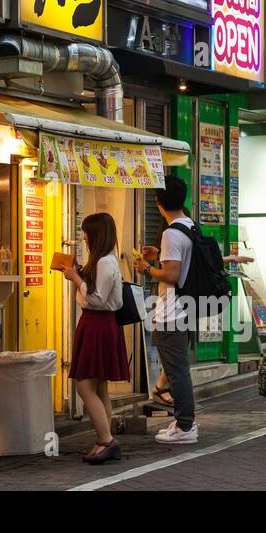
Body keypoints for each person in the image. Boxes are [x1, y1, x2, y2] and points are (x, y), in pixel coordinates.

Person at [59, 212, 128, 464]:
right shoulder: (105, 261)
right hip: (102, 325)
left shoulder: (104, 263)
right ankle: (103, 439)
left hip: (97, 324)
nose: (84, 236)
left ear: (96, 234)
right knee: (100, 387)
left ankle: (107, 441)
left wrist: (76, 279)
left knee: (84, 386)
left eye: (87, 232)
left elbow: (97, 299)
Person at [135, 176, 198, 445]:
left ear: (158, 202)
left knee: (177, 372)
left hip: (172, 312)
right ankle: (183, 421)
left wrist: (147, 268)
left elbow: (171, 275)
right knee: (177, 369)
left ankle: (186, 426)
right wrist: (159, 252)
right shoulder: (190, 226)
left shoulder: (171, 232)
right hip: (188, 308)